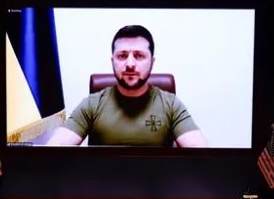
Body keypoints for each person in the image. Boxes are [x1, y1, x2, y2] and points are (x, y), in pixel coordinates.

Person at [46, 25, 208, 147]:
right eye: (122, 56)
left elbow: (200, 152)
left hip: (156, 182)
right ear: (113, 61)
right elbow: (56, 147)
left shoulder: (171, 104)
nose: (130, 64)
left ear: (152, 62)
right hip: (104, 181)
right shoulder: (92, 104)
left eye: (139, 55)